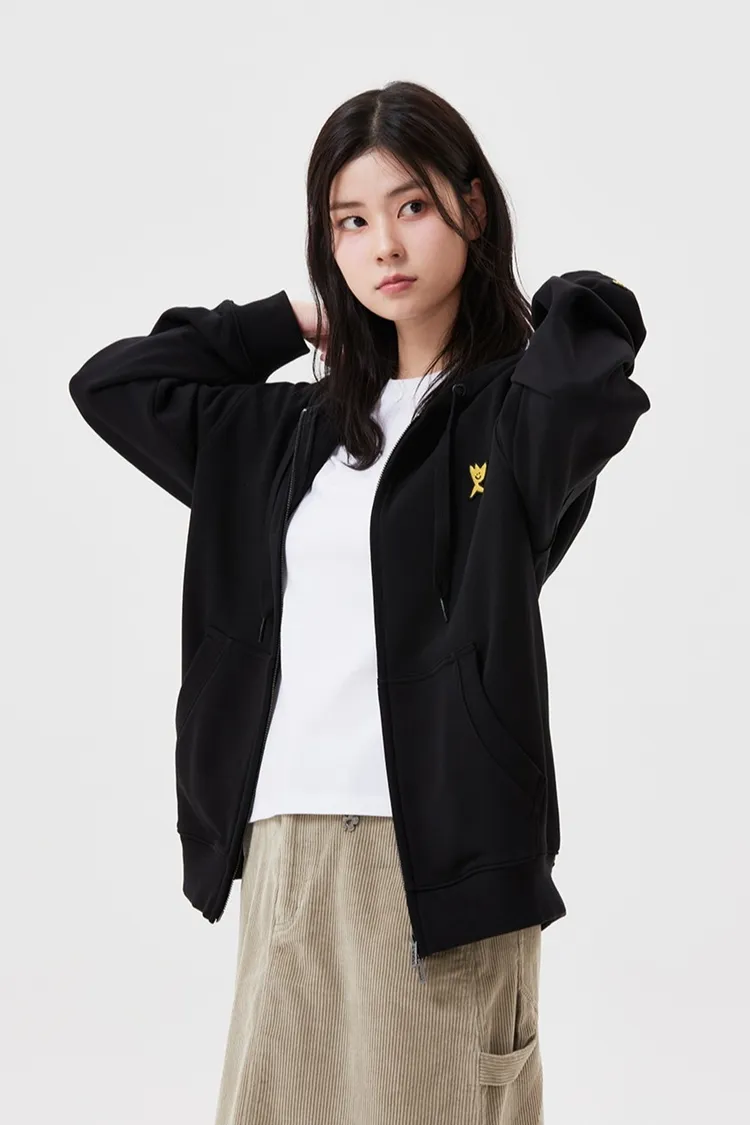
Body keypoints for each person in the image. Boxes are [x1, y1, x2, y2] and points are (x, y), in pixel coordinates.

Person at [68, 79, 650, 1125]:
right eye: (350, 220)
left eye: (412, 206)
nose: (384, 244)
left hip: (442, 858)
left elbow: (591, 368)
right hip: (286, 839)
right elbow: (111, 385)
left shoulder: (509, 421)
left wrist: (523, 303)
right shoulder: (287, 433)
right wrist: (290, 320)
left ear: (472, 207)